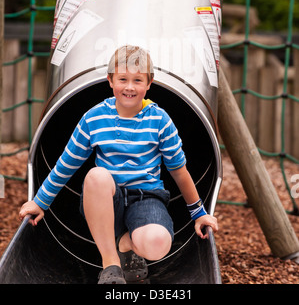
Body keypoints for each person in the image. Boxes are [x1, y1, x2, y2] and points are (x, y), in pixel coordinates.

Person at [19, 45, 218, 284]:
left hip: (147, 197)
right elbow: (66, 164)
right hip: (105, 201)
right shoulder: (94, 118)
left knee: (157, 244)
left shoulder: (159, 120)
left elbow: (179, 170)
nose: (130, 87)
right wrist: (40, 202)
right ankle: (110, 263)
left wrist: (199, 214)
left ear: (149, 83)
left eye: (137, 80)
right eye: (123, 79)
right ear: (110, 80)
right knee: (96, 175)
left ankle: (126, 243)